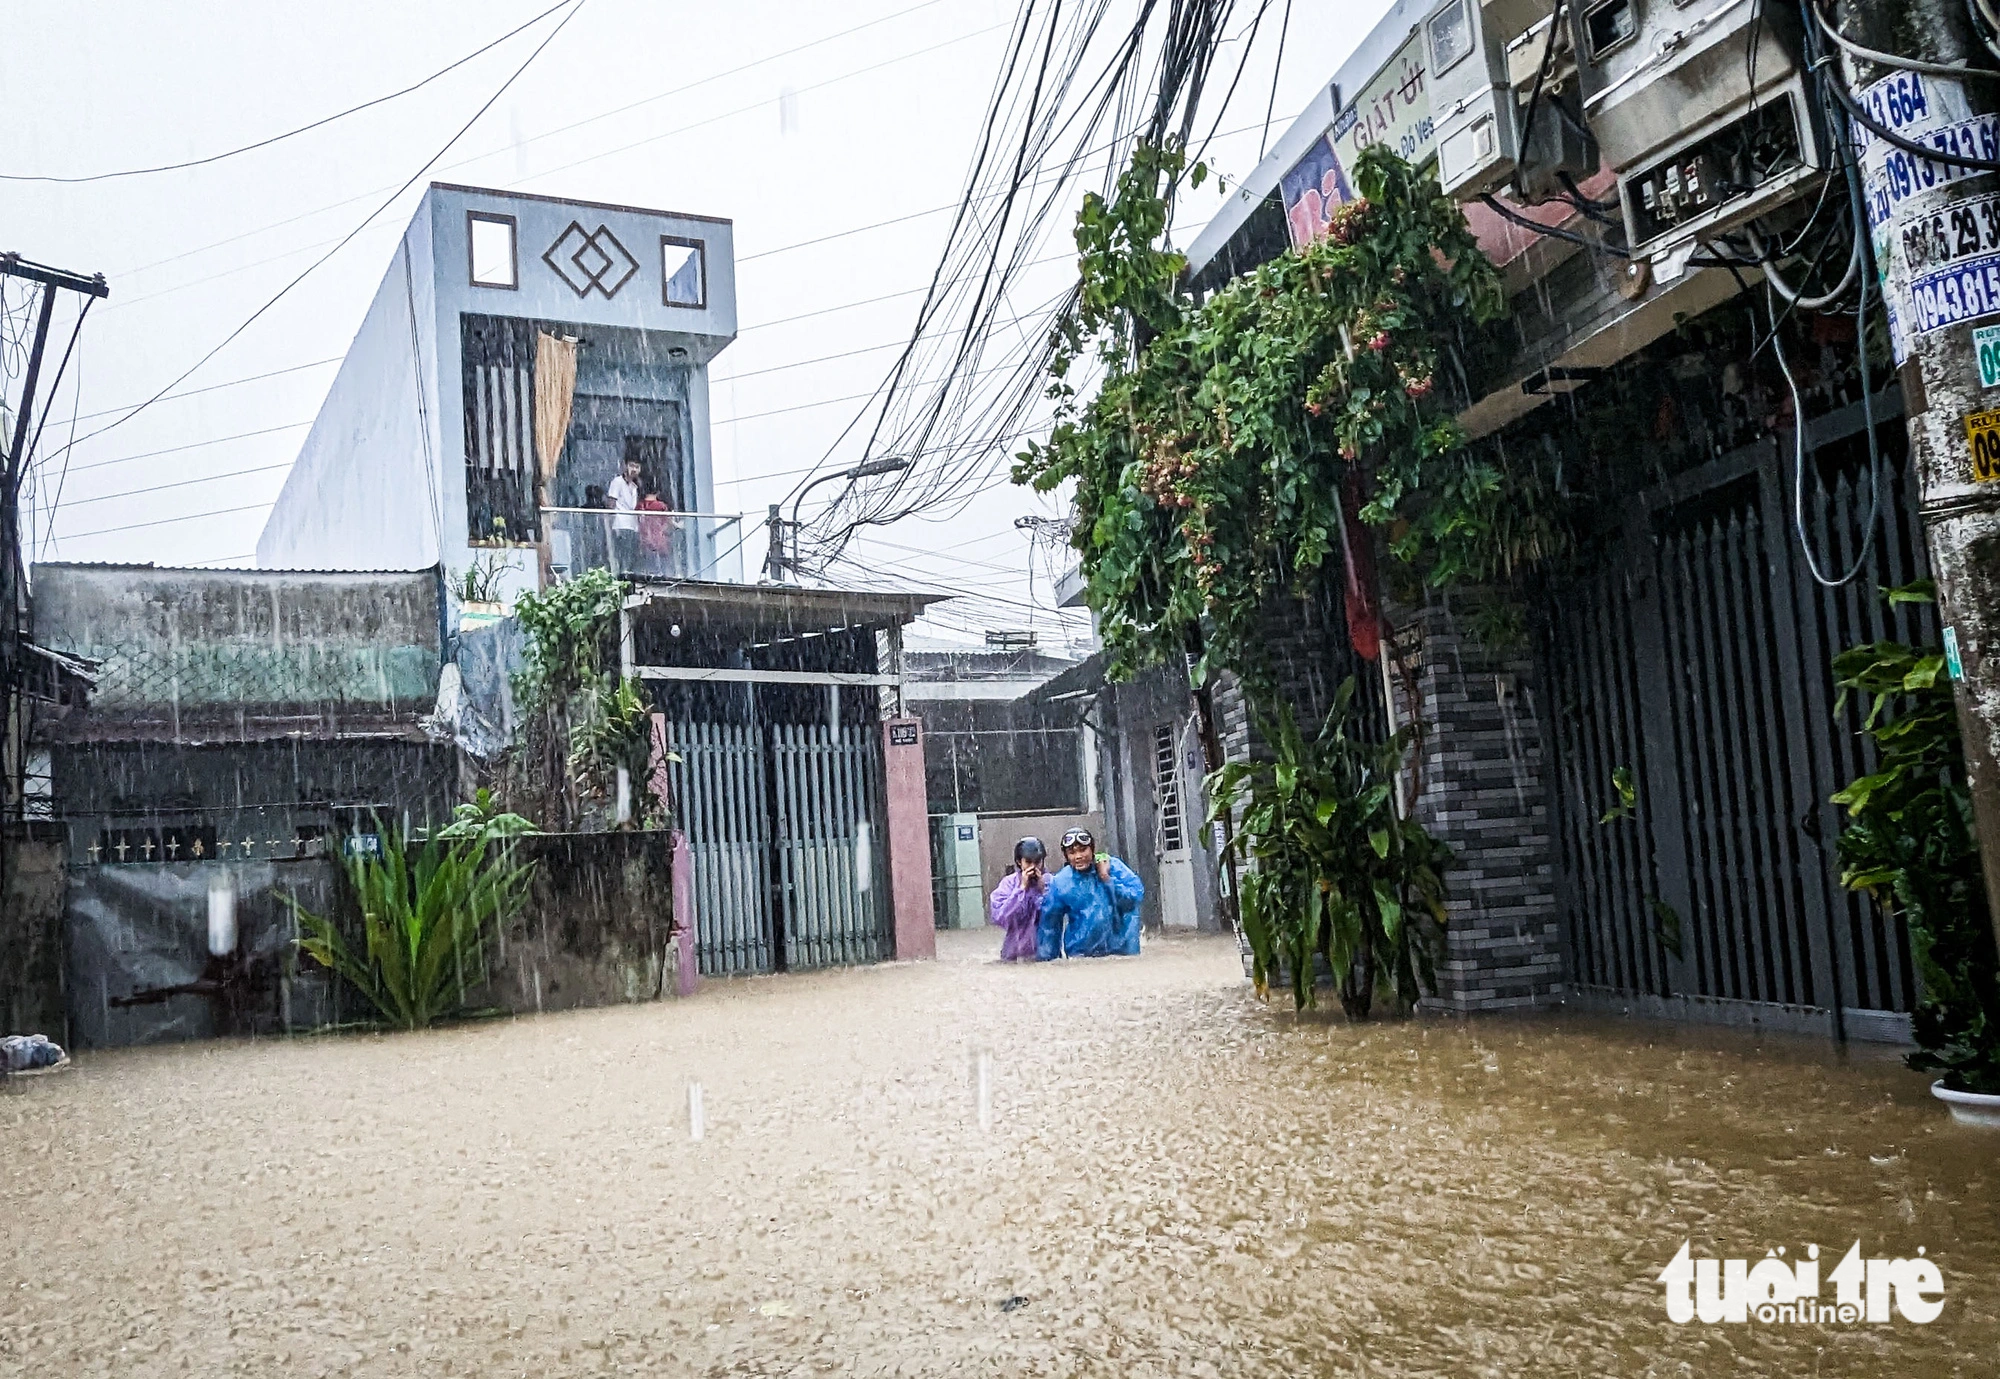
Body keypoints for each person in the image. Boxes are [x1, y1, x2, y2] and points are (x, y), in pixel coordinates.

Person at [1036, 826, 1145, 960]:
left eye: (1083, 850)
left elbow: (1135, 897)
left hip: (1121, 951)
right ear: (1066, 855)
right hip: (1081, 953)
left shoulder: (1113, 867)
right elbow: (1050, 926)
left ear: (1092, 849)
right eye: (1072, 852)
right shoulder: (1061, 882)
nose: (1078, 856)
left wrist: (1107, 879)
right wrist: (1047, 960)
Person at [987, 837, 1049, 962]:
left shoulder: (1051, 882)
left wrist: (1043, 891)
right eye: (1028, 862)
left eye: (1037, 862)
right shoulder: (1008, 884)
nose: (1033, 867)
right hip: (1013, 954)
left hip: (1045, 954)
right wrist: (1021, 889)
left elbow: (1055, 915)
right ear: (1019, 862)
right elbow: (1001, 917)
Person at [607, 457, 644, 574]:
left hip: (632, 525)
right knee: (622, 555)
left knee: (631, 555)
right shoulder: (617, 482)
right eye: (631, 466)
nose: (634, 469)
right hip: (620, 523)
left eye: (637, 467)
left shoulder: (634, 487)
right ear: (625, 466)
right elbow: (611, 503)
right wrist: (611, 523)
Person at [637, 484, 677, 576]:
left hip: (645, 537)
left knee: (648, 560)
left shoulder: (640, 505)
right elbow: (668, 521)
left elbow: (639, 521)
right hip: (658, 536)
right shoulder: (661, 506)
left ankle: (647, 575)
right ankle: (664, 575)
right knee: (663, 560)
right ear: (658, 493)